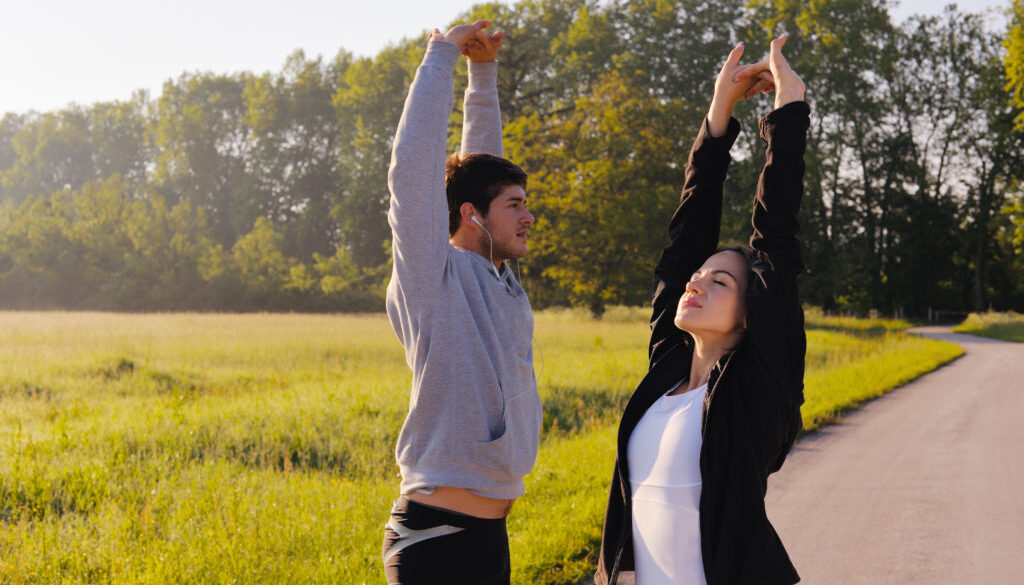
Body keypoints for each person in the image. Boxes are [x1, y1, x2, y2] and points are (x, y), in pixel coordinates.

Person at [595, 35, 810, 585]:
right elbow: (682, 245)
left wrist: (787, 113)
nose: (694, 285)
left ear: (749, 314)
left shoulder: (757, 389)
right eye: (696, 278)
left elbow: (776, 238)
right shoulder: (666, 370)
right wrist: (719, 113)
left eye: (719, 282)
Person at [381, 19, 541, 585]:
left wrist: (483, 74)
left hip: (487, 536)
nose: (528, 217)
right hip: (435, 538)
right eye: (515, 206)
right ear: (472, 217)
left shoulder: (497, 276)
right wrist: (442, 55)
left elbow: (478, 169)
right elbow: (413, 172)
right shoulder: (433, 277)